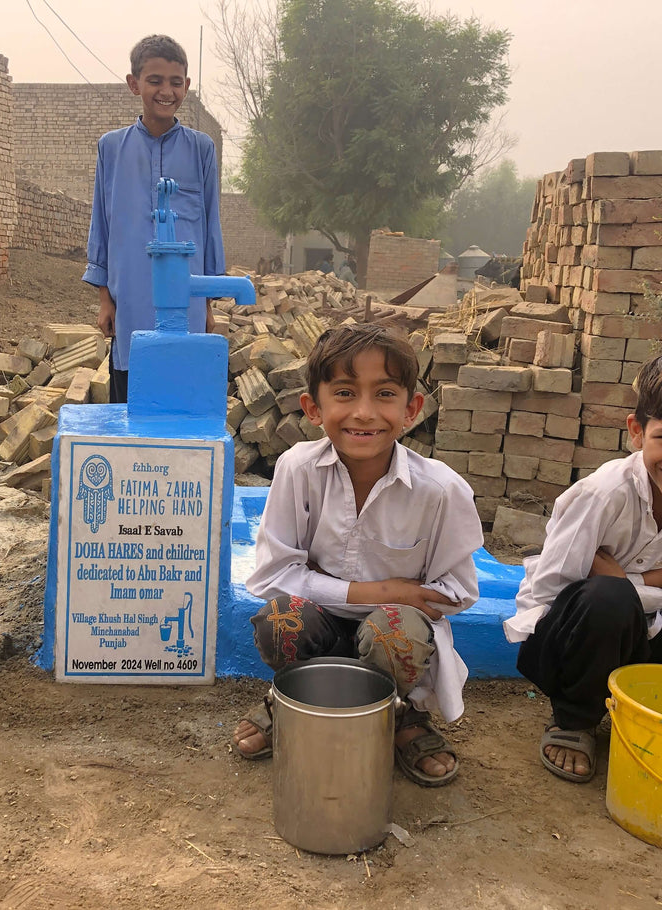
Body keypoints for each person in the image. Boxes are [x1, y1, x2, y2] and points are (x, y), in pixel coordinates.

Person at [231, 324, 483, 786]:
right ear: (313, 408)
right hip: (321, 622)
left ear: (411, 410)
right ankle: (289, 699)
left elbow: (457, 592)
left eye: (384, 394)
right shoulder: (298, 469)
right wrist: (384, 591)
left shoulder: (441, 490)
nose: (364, 413)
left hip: (392, 634)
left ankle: (400, 716)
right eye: (345, 393)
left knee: (394, 633)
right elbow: (270, 578)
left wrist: (390, 605)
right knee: (280, 618)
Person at [506, 347, 662, 783]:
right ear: (638, 432)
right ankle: (575, 720)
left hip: (651, 637)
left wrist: (630, 579)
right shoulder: (603, 494)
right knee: (605, 597)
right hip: (571, 641)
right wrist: (649, 583)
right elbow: (551, 593)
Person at [83, 34, 225, 404]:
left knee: (184, 399)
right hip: (130, 298)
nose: (166, 91)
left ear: (187, 86)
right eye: (155, 81)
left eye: (175, 82)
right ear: (135, 84)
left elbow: (210, 228)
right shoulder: (111, 148)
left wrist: (207, 305)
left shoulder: (201, 149)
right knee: (132, 400)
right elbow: (103, 224)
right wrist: (105, 300)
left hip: (186, 301)